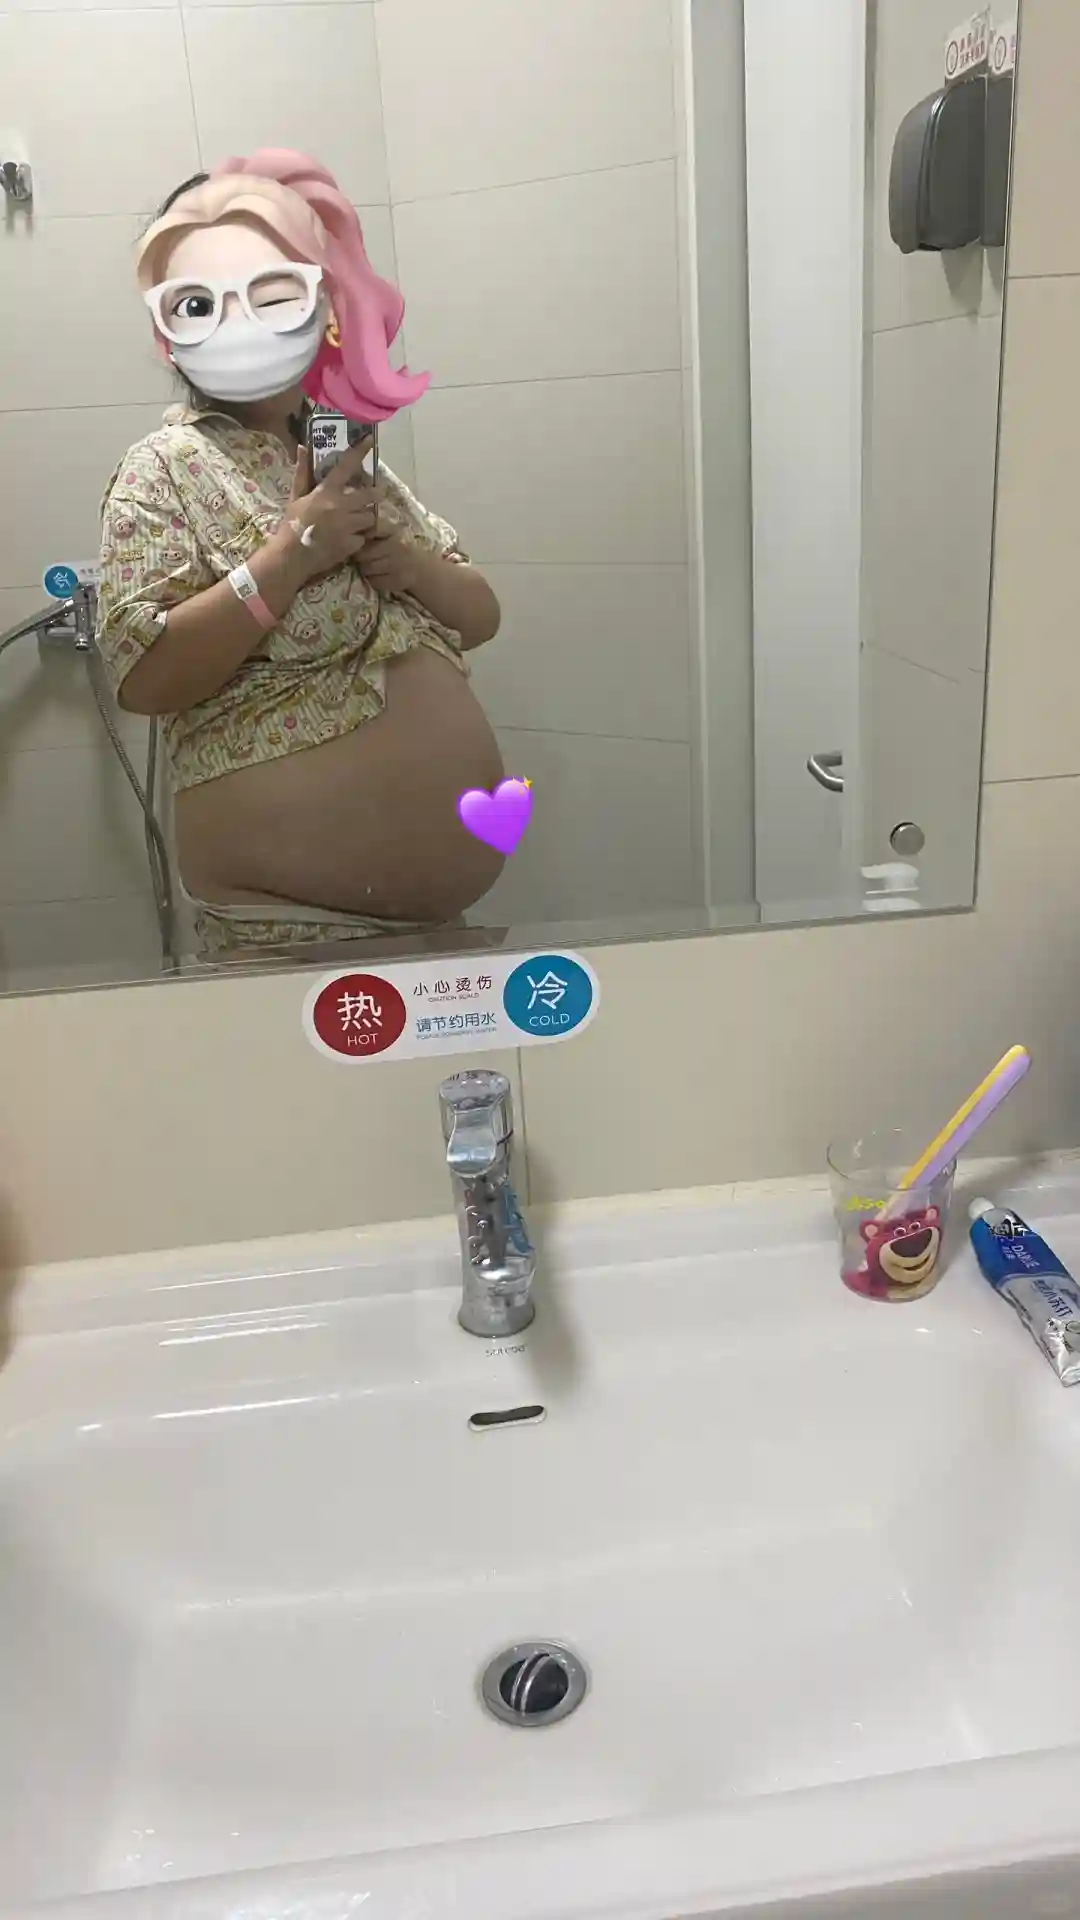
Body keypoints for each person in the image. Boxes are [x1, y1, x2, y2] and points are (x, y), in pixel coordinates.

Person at [97, 149, 505, 959]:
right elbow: (145, 679)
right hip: (288, 929)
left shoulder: (339, 448)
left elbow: (481, 615)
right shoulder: (166, 468)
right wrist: (289, 558)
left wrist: (409, 565)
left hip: (434, 934)